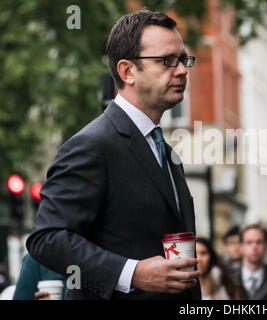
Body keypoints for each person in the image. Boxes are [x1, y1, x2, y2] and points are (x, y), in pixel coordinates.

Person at [26, 10, 200, 300]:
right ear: (127, 71)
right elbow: (48, 238)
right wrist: (133, 273)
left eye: (183, 60)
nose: (181, 70)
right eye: (167, 60)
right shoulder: (91, 145)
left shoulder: (165, 151)